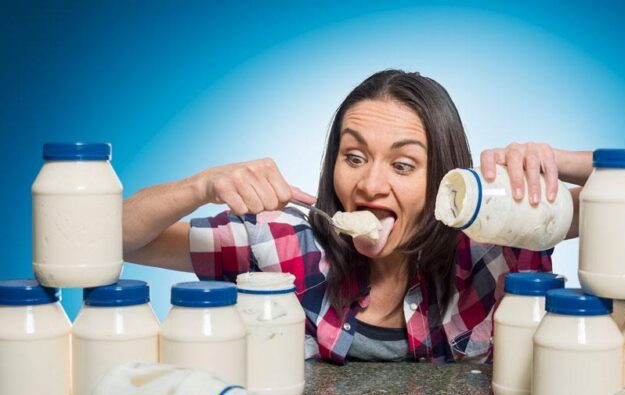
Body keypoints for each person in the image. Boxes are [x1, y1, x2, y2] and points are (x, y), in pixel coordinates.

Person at [123, 69, 594, 364]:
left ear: (444, 180)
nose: (370, 184)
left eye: (402, 165)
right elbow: (112, 239)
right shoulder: (280, 247)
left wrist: (559, 161)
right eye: (353, 157)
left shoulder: (497, 245)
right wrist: (200, 186)